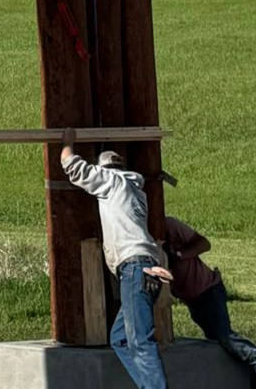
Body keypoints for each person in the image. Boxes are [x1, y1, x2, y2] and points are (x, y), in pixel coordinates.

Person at [61, 144, 175, 389]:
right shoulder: (136, 190)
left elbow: (73, 167)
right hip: (143, 268)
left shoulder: (113, 182)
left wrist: (66, 141)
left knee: (140, 342)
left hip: (135, 270)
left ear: (105, 170)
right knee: (120, 338)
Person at [164, 214, 256, 388]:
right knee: (221, 345)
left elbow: (204, 243)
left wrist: (178, 254)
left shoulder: (169, 225)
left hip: (208, 291)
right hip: (193, 300)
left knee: (226, 338)